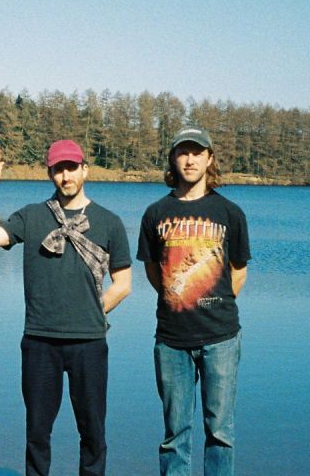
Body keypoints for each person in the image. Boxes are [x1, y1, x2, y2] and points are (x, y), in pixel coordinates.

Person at [0, 140, 131, 476]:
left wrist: (89, 313)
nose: (66, 176)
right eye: (59, 169)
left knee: (93, 433)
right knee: (37, 434)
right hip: (39, 342)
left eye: (72, 168)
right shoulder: (32, 216)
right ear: (50, 174)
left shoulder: (109, 222)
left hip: (89, 343)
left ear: (85, 170)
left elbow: (123, 284)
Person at [137, 126, 250, 476]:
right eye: (183, 152)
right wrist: (178, 298)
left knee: (220, 433)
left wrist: (212, 305)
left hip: (221, 339)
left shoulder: (230, 213)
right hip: (172, 341)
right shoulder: (155, 213)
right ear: (173, 158)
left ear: (209, 158)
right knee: (175, 434)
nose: (190, 159)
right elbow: (154, 272)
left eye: (197, 152)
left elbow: (238, 272)